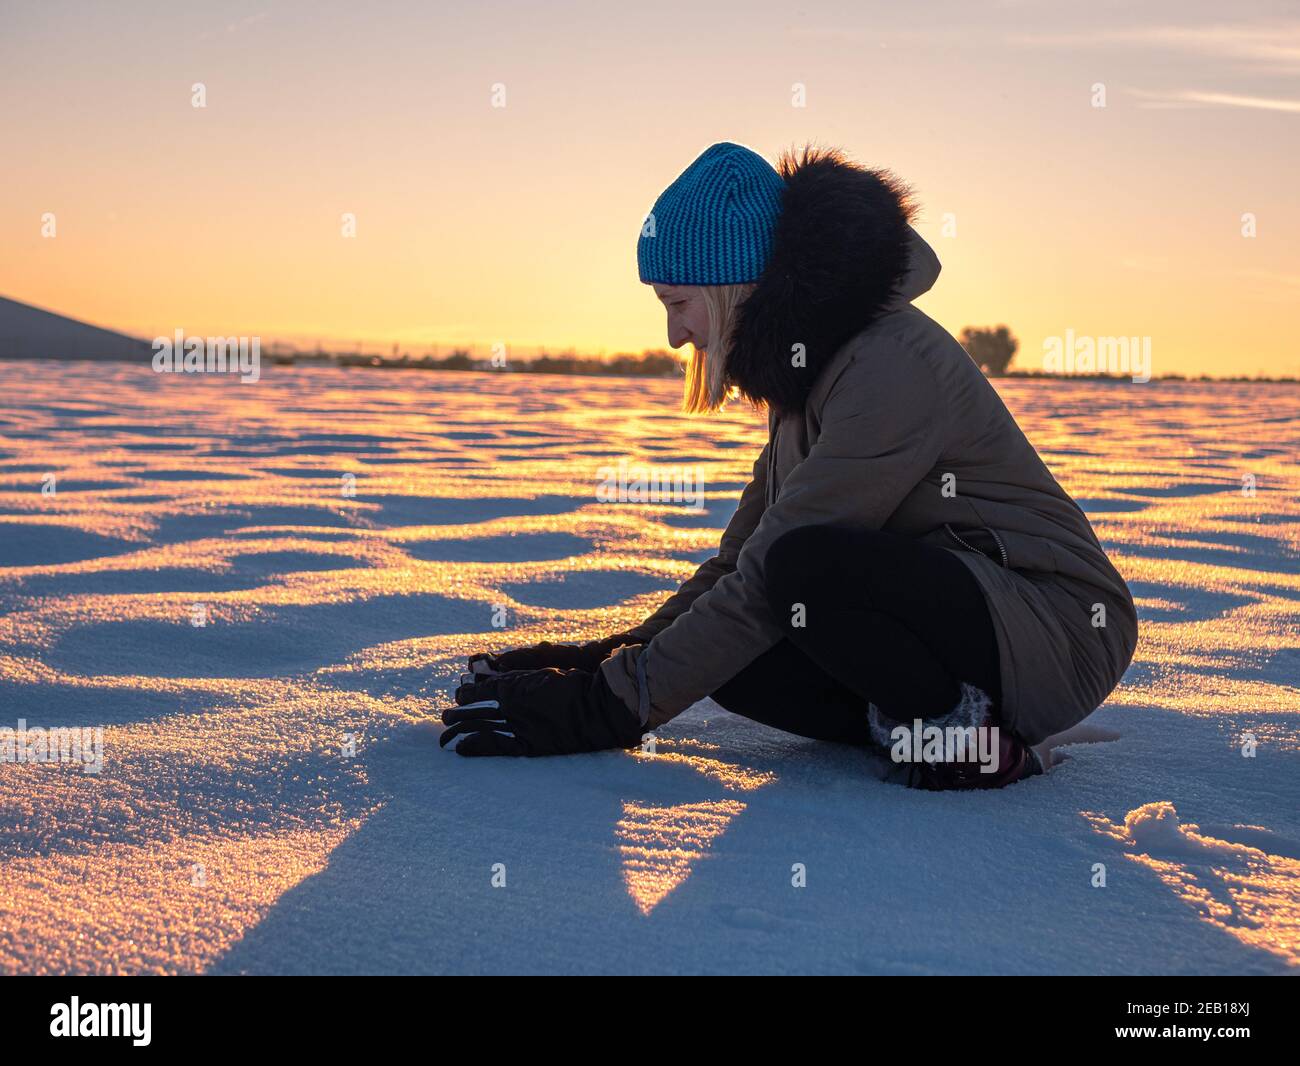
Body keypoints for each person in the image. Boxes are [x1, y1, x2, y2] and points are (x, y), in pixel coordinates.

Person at [441, 142, 1138, 790]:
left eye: (678, 303)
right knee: (731, 661)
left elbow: (782, 563)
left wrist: (604, 709)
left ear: (733, 288)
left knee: (802, 569)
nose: (674, 333)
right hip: (955, 618)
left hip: (1054, 628)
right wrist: (604, 659)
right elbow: (737, 565)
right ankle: (915, 722)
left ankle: (967, 743)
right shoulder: (806, 377)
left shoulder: (889, 364)